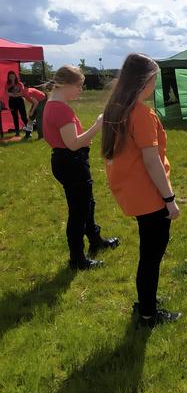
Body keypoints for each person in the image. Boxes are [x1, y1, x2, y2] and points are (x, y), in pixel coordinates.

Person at [102, 53, 182, 328]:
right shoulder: (141, 114)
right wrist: (169, 199)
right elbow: (152, 160)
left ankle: (145, 303)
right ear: (144, 81)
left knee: (148, 253)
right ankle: (148, 313)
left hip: (132, 193)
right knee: (151, 256)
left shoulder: (117, 109)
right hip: (150, 197)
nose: (155, 86)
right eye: (154, 80)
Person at [43, 66, 119, 270]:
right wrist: (97, 126)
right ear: (64, 84)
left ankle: (95, 240)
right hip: (71, 163)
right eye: (78, 86)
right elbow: (73, 143)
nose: (80, 90)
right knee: (78, 212)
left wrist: (83, 141)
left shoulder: (53, 104)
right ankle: (77, 259)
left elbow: (71, 140)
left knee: (87, 204)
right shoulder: (60, 108)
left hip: (67, 161)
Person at [4, 71, 28, 137]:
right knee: (15, 117)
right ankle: (17, 132)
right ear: (8, 77)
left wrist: (16, 94)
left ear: (15, 76)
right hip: (11, 101)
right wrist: (13, 95)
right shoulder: (7, 84)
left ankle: (29, 131)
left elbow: (22, 92)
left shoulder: (20, 84)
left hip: (20, 100)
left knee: (23, 116)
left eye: (13, 75)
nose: (12, 77)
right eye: (10, 76)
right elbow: (7, 93)